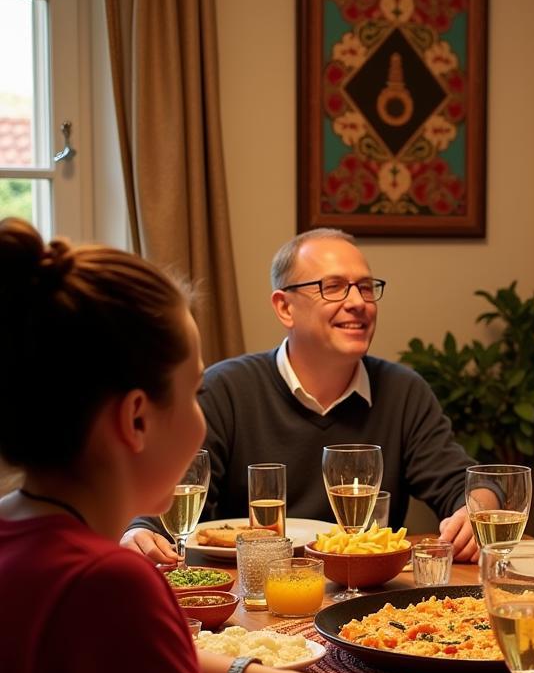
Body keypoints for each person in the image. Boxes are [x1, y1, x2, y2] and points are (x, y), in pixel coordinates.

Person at [0, 218, 456, 673]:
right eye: (194, 389)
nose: (207, 412)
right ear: (138, 419)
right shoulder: (102, 589)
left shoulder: (26, 544)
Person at [121, 227, 478, 563]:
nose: (358, 302)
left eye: (366, 287)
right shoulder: (226, 390)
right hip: (248, 600)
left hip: (363, 598)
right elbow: (168, 491)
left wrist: (473, 510)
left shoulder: (403, 391)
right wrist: (141, 529)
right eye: (334, 287)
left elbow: (467, 485)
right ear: (284, 307)